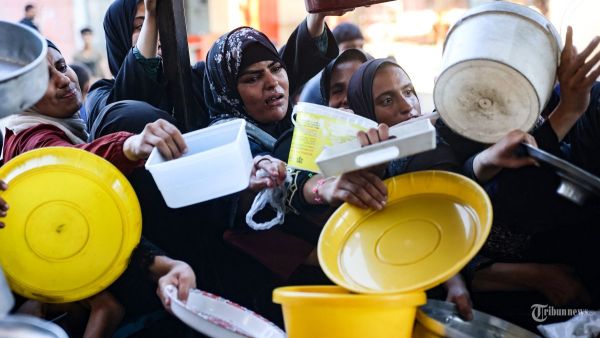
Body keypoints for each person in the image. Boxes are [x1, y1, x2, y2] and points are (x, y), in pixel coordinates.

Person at [1, 39, 197, 337]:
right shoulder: (33, 141)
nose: (64, 80)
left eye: (62, 66)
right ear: (17, 96)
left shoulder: (55, 126)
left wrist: (164, 266)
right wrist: (130, 145)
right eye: (43, 79)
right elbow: (73, 167)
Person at [85, 0, 210, 137]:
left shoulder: (199, 77)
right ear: (119, 35)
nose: (158, 32)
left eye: (161, 21)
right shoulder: (99, 95)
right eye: (140, 26)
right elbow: (127, 107)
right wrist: (151, 15)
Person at [299, 22, 366, 105]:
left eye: (361, 46)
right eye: (349, 47)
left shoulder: (365, 76)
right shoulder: (319, 85)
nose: (357, 51)